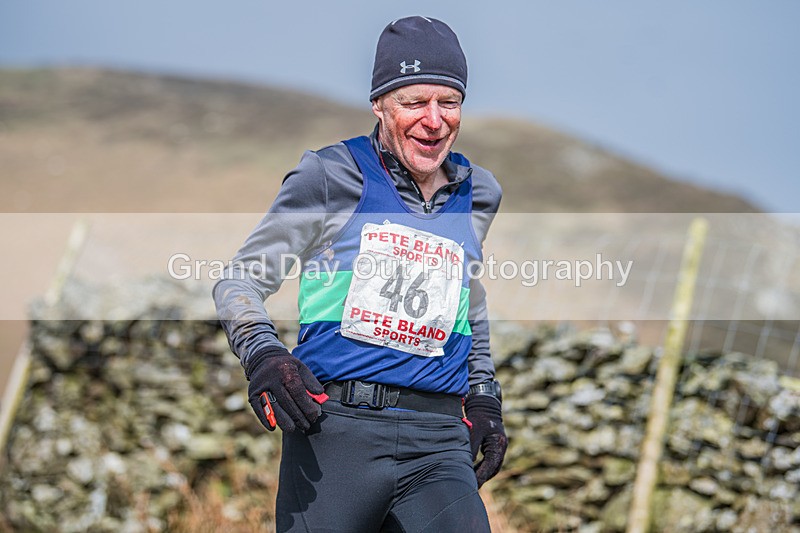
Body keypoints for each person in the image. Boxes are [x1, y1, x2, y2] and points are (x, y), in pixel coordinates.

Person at [213, 16, 507, 532]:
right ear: (379, 104)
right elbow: (240, 279)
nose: (434, 121)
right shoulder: (330, 175)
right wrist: (264, 354)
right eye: (414, 103)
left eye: (449, 102)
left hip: (438, 442)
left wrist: (483, 395)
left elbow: (469, 300)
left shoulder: (478, 192)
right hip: (336, 433)